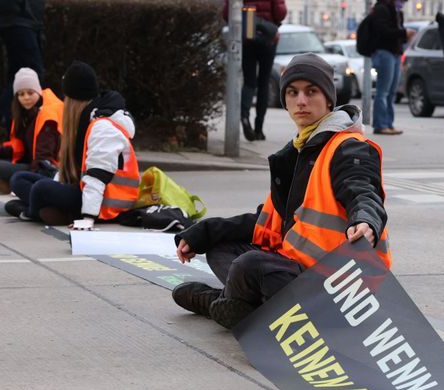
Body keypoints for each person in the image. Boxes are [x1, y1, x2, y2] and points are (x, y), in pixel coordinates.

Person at [170, 54, 390, 329]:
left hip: (339, 284)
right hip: (294, 268)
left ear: (329, 100)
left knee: (248, 266)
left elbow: (364, 189)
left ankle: (220, 302)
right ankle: (241, 306)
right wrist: (205, 232)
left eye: (311, 91)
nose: (301, 101)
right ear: (285, 101)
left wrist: (365, 221)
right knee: (221, 250)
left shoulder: (350, 147)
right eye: (292, 92)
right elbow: (267, 224)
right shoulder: (297, 151)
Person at [7, 61, 138, 227]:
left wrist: (87, 219)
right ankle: (49, 210)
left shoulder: (102, 126)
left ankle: (30, 212)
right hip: (84, 189)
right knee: (19, 179)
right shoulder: (86, 119)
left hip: (107, 203)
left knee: (41, 189)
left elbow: (98, 176)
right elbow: (71, 173)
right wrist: (57, 185)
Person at [0, 68, 62, 195]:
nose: (26, 98)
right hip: (26, 163)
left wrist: (27, 178)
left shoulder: (47, 116)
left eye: (30, 93)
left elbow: (43, 159)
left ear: (38, 92)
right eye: (21, 94)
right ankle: (5, 184)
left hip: (42, 169)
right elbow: (16, 148)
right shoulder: (23, 114)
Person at [0, 0, 47, 146]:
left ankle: (13, 135)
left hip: (21, 18)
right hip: (21, 17)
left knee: (18, 77)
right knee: (33, 75)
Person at [226, 0, 287, 141]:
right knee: (264, 83)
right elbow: (280, 13)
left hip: (247, 30)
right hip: (268, 35)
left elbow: (226, 12)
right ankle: (259, 129)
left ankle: (244, 116)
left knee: (249, 82)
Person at [369, 0, 408, 135]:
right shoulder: (382, 8)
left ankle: (388, 123)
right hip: (384, 52)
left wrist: (404, 36)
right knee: (383, 91)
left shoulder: (397, 10)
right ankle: (380, 125)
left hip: (395, 53)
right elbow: (382, 31)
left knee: (392, 91)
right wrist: (403, 33)